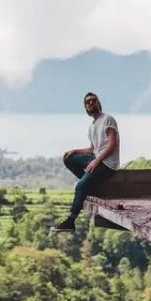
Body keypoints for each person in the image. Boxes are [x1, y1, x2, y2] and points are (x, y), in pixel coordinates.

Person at [52, 92, 120, 232]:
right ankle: (89, 182)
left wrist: (97, 161)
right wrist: (75, 151)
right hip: (97, 159)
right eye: (87, 102)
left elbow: (112, 145)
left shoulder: (108, 119)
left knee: (80, 186)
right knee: (68, 159)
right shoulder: (92, 126)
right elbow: (92, 149)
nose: (90, 104)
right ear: (85, 108)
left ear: (98, 103)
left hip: (108, 164)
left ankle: (70, 221)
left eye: (93, 101)